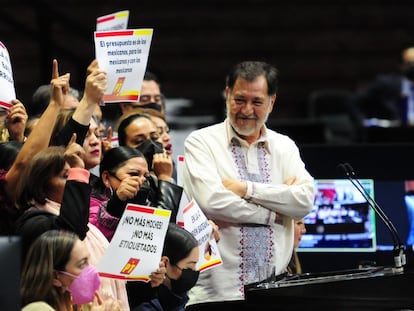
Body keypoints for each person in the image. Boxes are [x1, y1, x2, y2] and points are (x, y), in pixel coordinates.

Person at [183, 61, 314, 305]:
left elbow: (304, 201)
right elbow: (213, 201)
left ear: (271, 102)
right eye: (239, 100)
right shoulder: (201, 142)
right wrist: (276, 211)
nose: (246, 110)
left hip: (275, 289)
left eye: (257, 102)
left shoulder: (285, 146)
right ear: (227, 94)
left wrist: (246, 189)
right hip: (217, 293)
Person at [90, 146, 182, 242]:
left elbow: (161, 231)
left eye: (146, 176)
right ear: (106, 178)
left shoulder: (143, 200)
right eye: (133, 174)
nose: (142, 180)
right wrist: (117, 201)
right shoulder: (92, 209)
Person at [21, 229, 122, 311]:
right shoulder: (36, 308)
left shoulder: (82, 305)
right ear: (55, 277)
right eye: (82, 264)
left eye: (88, 261)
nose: (92, 270)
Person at [133, 223, 199, 311]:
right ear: (165, 263)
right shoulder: (145, 306)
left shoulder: (177, 297)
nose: (194, 272)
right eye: (189, 267)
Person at [354, 46, 414, 126]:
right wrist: (362, 124)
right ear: (401, 65)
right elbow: (355, 102)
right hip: (393, 133)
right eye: (410, 64)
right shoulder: (386, 84)